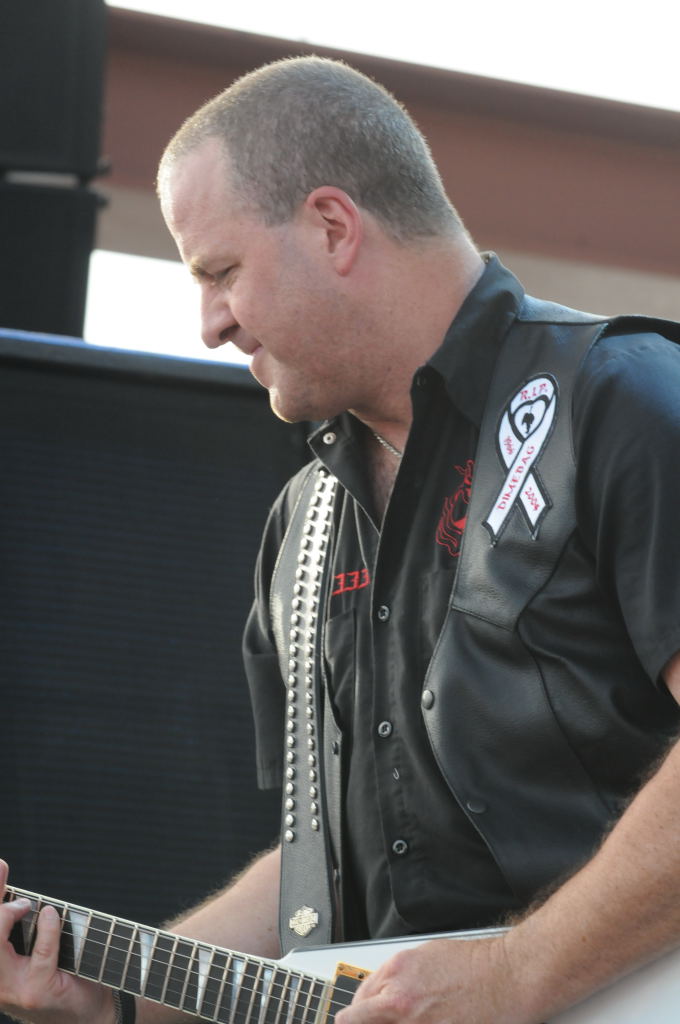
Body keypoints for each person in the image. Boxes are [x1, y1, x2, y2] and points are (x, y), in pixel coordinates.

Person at [2, 54, 680, 1024]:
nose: (210, 324)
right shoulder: (299, 525)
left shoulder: (620, 398)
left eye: (221, 272)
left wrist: (516, 973)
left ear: (332, 226)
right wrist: (116, 994)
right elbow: (311, 867)